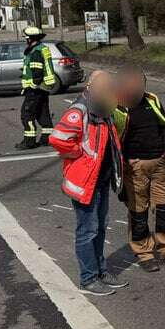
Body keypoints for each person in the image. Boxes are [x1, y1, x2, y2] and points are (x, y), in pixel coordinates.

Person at [49, 70, 128, 296]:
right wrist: (78, 154)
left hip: (100, 180)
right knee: (88, 230)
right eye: (104, 88)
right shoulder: (81, 109)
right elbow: (58, 138)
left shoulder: (103, 109)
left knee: (100, 227)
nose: (108, 91)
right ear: (91, 87)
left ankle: (100, 271)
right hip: (84, 183)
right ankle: (88, 278)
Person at [113, 69, 165, 272]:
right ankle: (144, 253)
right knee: (139, 213)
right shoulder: (117, 106)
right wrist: (125, 161)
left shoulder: (151, 100)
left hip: (158, 165)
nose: (136, 88)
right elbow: (111, 140)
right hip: (135, 168)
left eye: (139, 84)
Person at [17, 26, 56, 150]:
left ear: (30, 39)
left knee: (26, 114)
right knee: (42, 112)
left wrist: (32, 87)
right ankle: (47, 138)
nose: (25, 40)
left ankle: (29, 141)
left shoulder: (35, 52)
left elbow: (37, 73)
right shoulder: (41, 48)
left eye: (26, 38)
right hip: (44, 88)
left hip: (36, 89)